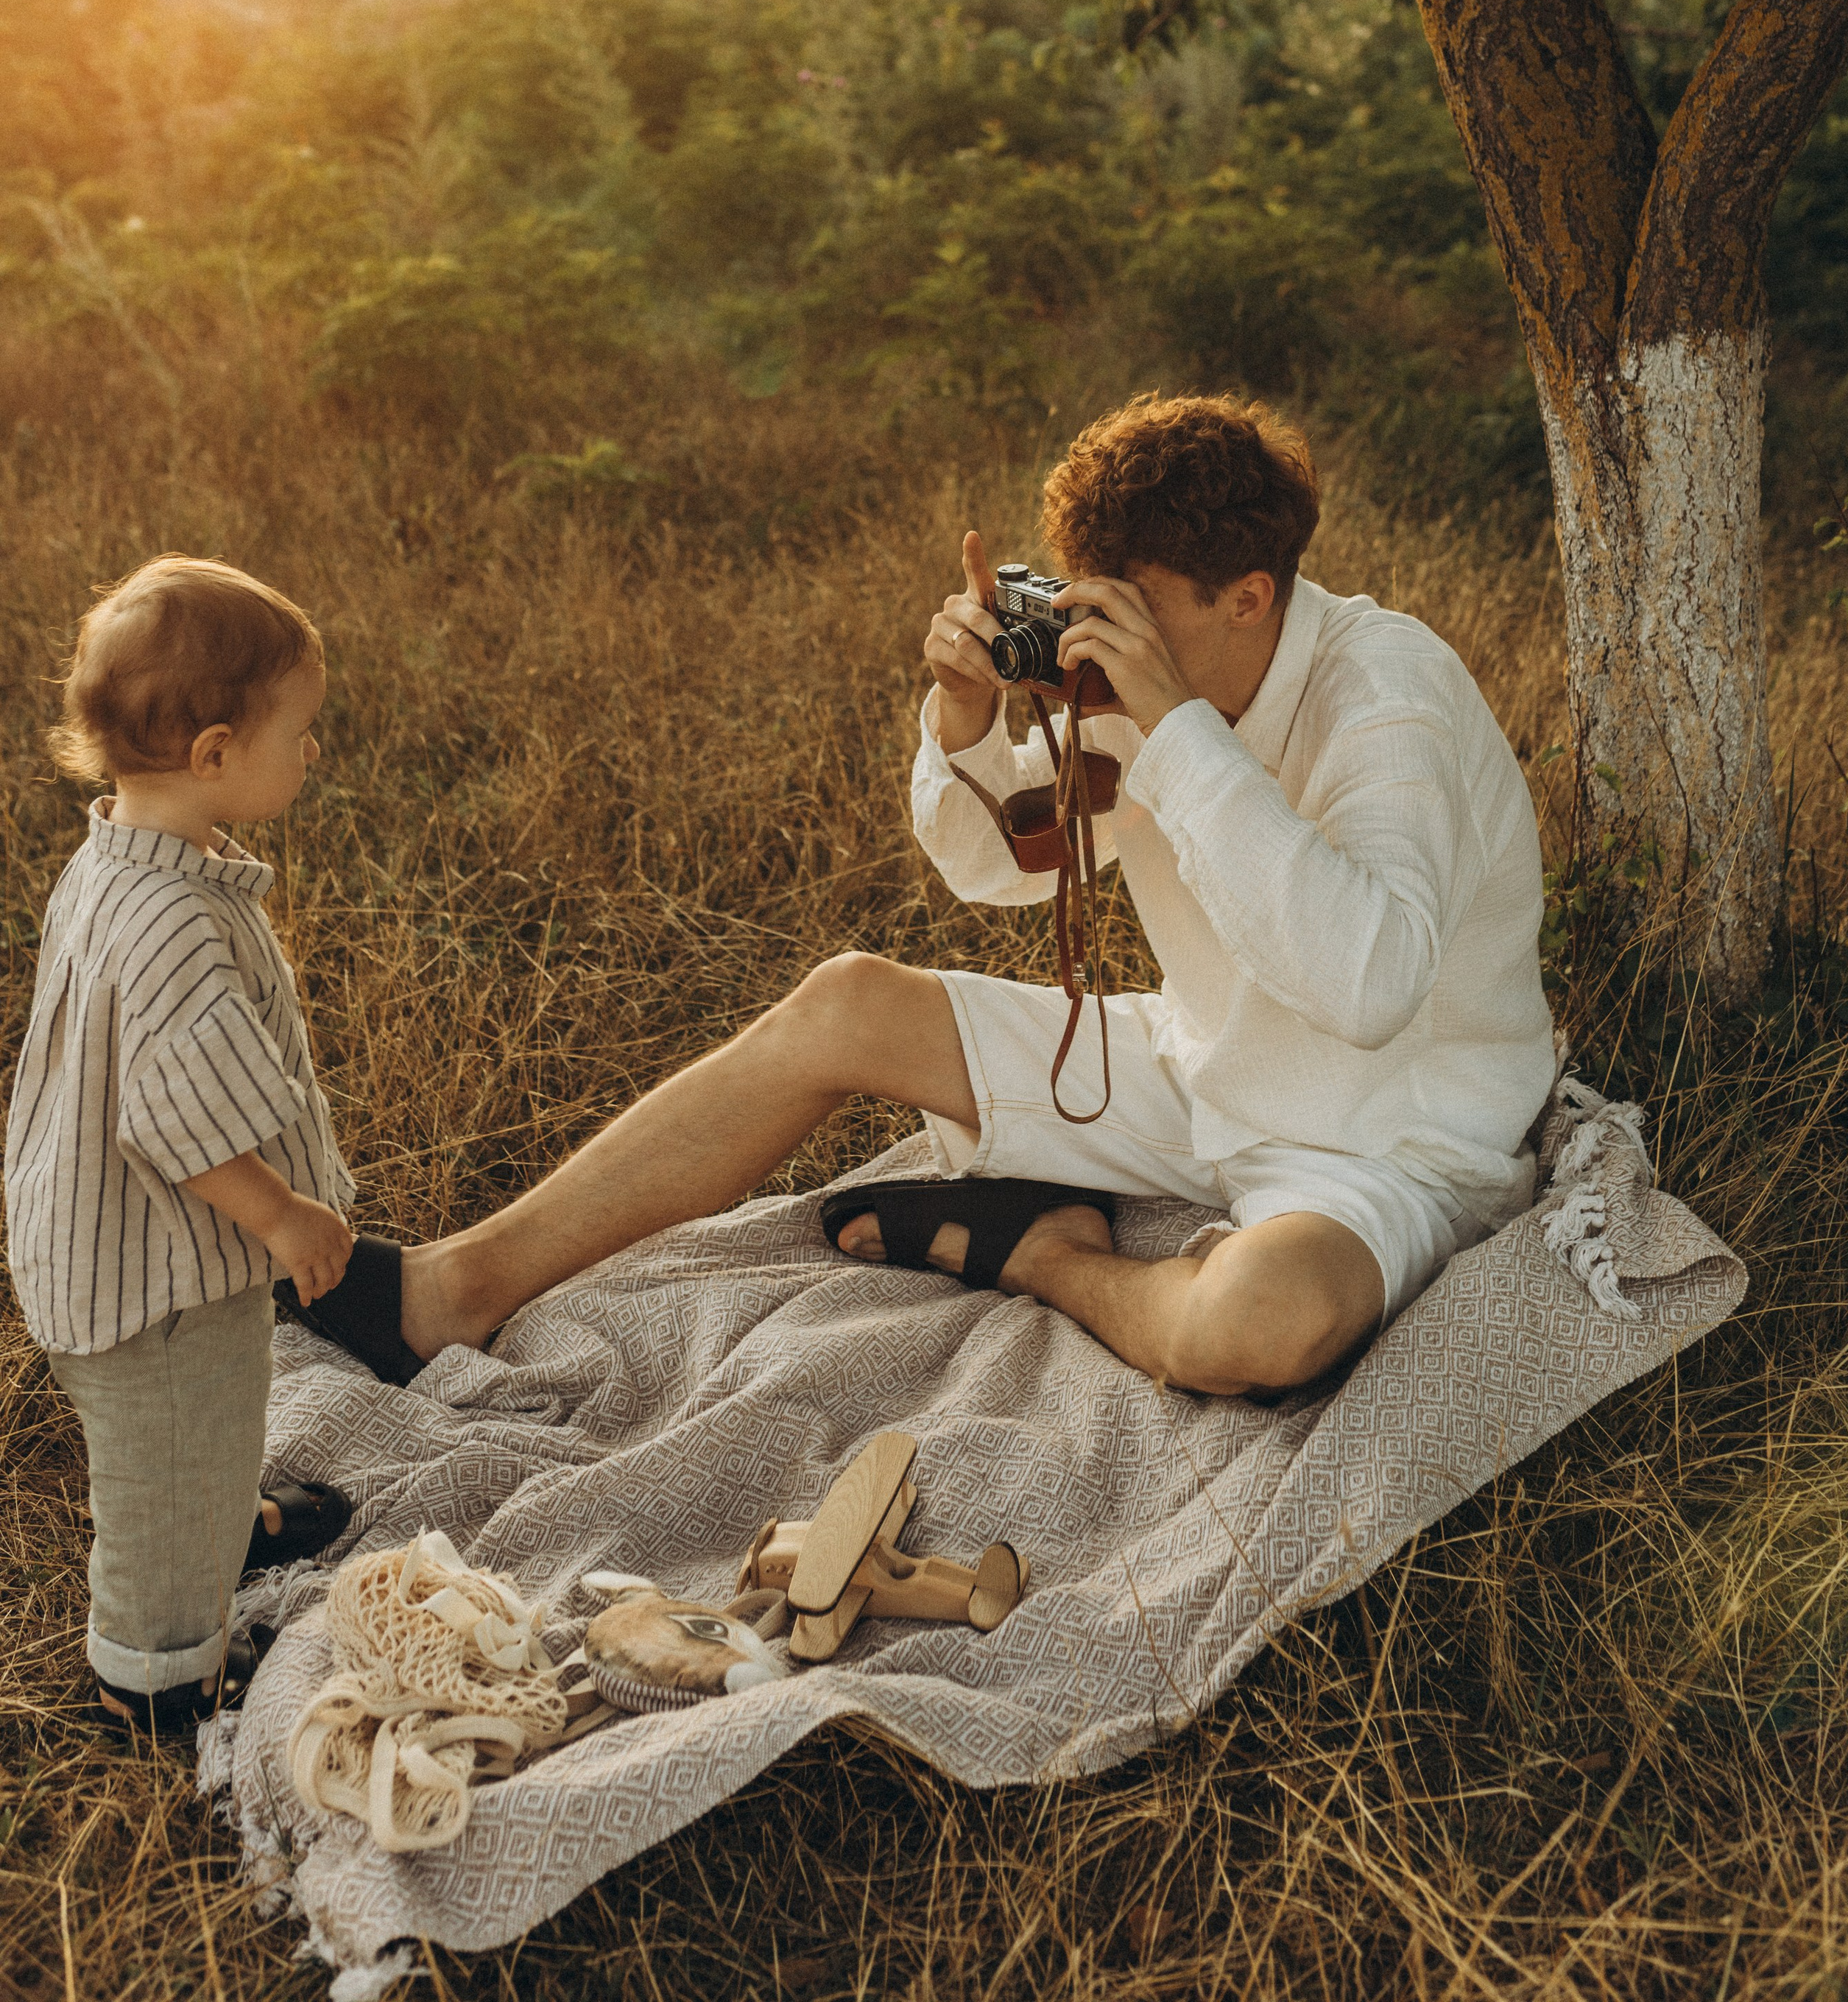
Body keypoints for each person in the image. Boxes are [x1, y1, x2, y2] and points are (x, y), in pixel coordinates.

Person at [345, 392, 1556, 1400]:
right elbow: (1003, 869)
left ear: (1249, 594)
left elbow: (1375, 984)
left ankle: (1049, 1257)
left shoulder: (1388, 698)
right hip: (1206, 1067)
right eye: (1087, 611)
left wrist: (1179, 733)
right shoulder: (1149, 681)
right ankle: (452, 1290)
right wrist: (969, 720)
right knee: (846, 1003)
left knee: (1257, 1325)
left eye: (1132, 619)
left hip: (1390, 1138)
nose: (1097, 648)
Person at [7, 559, 356, 1737]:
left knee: (204, 1429)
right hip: (154, 1281)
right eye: (300, 734)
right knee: (164, 1451)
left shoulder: (115, 859)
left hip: (107, 1235)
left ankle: (227, 1518)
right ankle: (155, 1671)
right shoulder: (177, 934)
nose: (311, 754)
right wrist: (285, 1218)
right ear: (213, 755)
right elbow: (183, 1129)